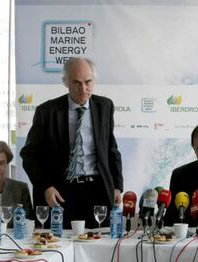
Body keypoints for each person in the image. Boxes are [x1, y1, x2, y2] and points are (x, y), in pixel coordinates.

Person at [20, 57, 123, 229]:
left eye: (88, 82)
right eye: (76, 83)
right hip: (60, 193)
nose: (83, 89)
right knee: (60, 247)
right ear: (65, 82)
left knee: (98, 246)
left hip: (98, 191)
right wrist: (46, 186)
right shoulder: (47, 112)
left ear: (94, 81)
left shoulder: (105, 106)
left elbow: (111, 149)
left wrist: (117, 186)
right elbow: (29, 155)